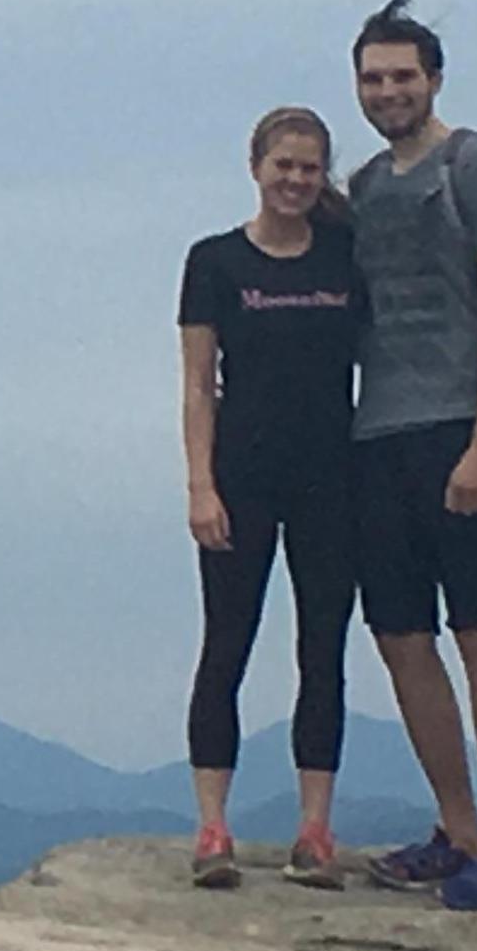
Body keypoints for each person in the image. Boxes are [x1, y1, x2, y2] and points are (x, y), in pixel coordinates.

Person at [346, 0, 477, 914]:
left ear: (434, 79)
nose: (389, 91)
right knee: (399, 636)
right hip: (378, 430)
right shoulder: (366, 187)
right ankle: (456, 830)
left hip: (468, 427)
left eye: (403, 75)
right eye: (373, 77)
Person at [179, 107, 362, 891]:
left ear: (323, 175)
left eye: (309, 168)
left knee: (322, 651)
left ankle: (314, 830)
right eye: (282, 165)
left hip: (333, 479)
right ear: (255, 166)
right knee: (227, 646)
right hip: (240, 478)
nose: (294, 180)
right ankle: (212, 826)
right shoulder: (214, 261)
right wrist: (200, 484)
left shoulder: (347, 258)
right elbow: (196, 384)